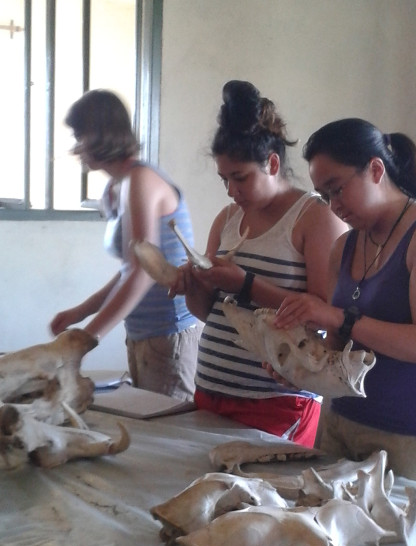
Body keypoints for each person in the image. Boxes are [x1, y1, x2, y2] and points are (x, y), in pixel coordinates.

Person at [269, 117, 416, 487]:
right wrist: (297, 367)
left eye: (337, 189)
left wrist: (340, 317)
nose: (333, 206)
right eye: (324, 196)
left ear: (376, 170)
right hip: (341, 420)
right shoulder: (345, 246)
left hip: (409, 434)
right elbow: (339, 350)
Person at [172, 80, 347, 446]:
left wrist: (247, 284)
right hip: (211, 388)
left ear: (272, 163)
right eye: (224, 179)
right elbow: (211, 312)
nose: (231, 191)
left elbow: (324, 316)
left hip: (277, 399)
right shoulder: (227, 219)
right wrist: (194, 286)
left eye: (240, 178)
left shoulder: (314, 218)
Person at [50, 89, 202, 402]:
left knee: (165, 428)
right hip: (143, 335)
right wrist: (80, 313)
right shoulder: (118, 186)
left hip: (168, 334)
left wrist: (86, 339)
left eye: (80, 136)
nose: (76, 148)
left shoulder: (140, 179)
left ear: (99, 134)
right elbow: (129, 270)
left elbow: (143, 272)